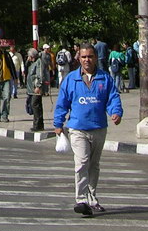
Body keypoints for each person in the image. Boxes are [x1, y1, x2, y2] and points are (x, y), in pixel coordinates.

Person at [52, 44, 123, 217]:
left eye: (90, 56)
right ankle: (81, 199)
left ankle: (92, 198)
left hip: (98, 128)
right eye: (83, 57)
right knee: (82, 162)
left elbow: (113, 97)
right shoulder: (71, 79)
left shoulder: (105, 79)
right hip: (77, 129)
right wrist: (58, 122)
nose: (87, 60)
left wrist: (116, 112)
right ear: (79, 58)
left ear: (96, 58)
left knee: (94, 165)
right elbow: (62, 102)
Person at [25, 47, 48, 132]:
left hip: (36, 88)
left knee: (35, 105)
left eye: (30, 56)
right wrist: (28, 60)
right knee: (36, 106)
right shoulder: (31, 63)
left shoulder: (38, 62)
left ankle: (37, 125)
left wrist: (38, 86)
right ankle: (39, 124)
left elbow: (40, 75)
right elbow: (26, 66)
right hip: (31, 88)